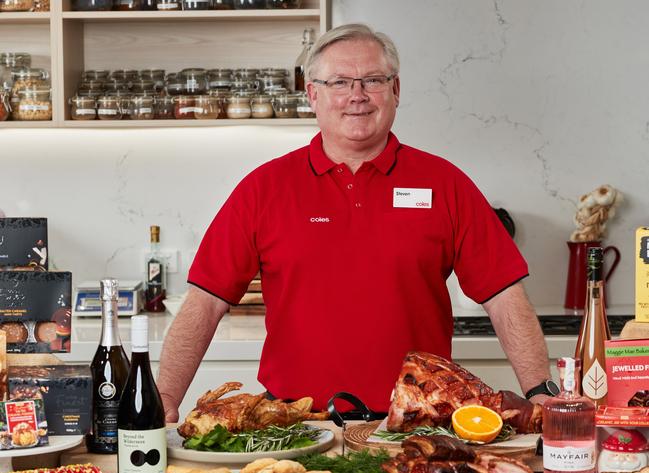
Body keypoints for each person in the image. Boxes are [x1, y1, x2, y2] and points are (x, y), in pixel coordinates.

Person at [158, 23, 553, 423]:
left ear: (396, 90)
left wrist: (540, 391)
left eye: (373, 81)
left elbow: (505, 296)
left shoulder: (446, 184)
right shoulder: (263, 189)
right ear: (313, 93)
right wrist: (165, 395)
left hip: (416, 426)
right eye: (340, 82)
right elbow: (205, 302)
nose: (357, 96)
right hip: (295, 426)